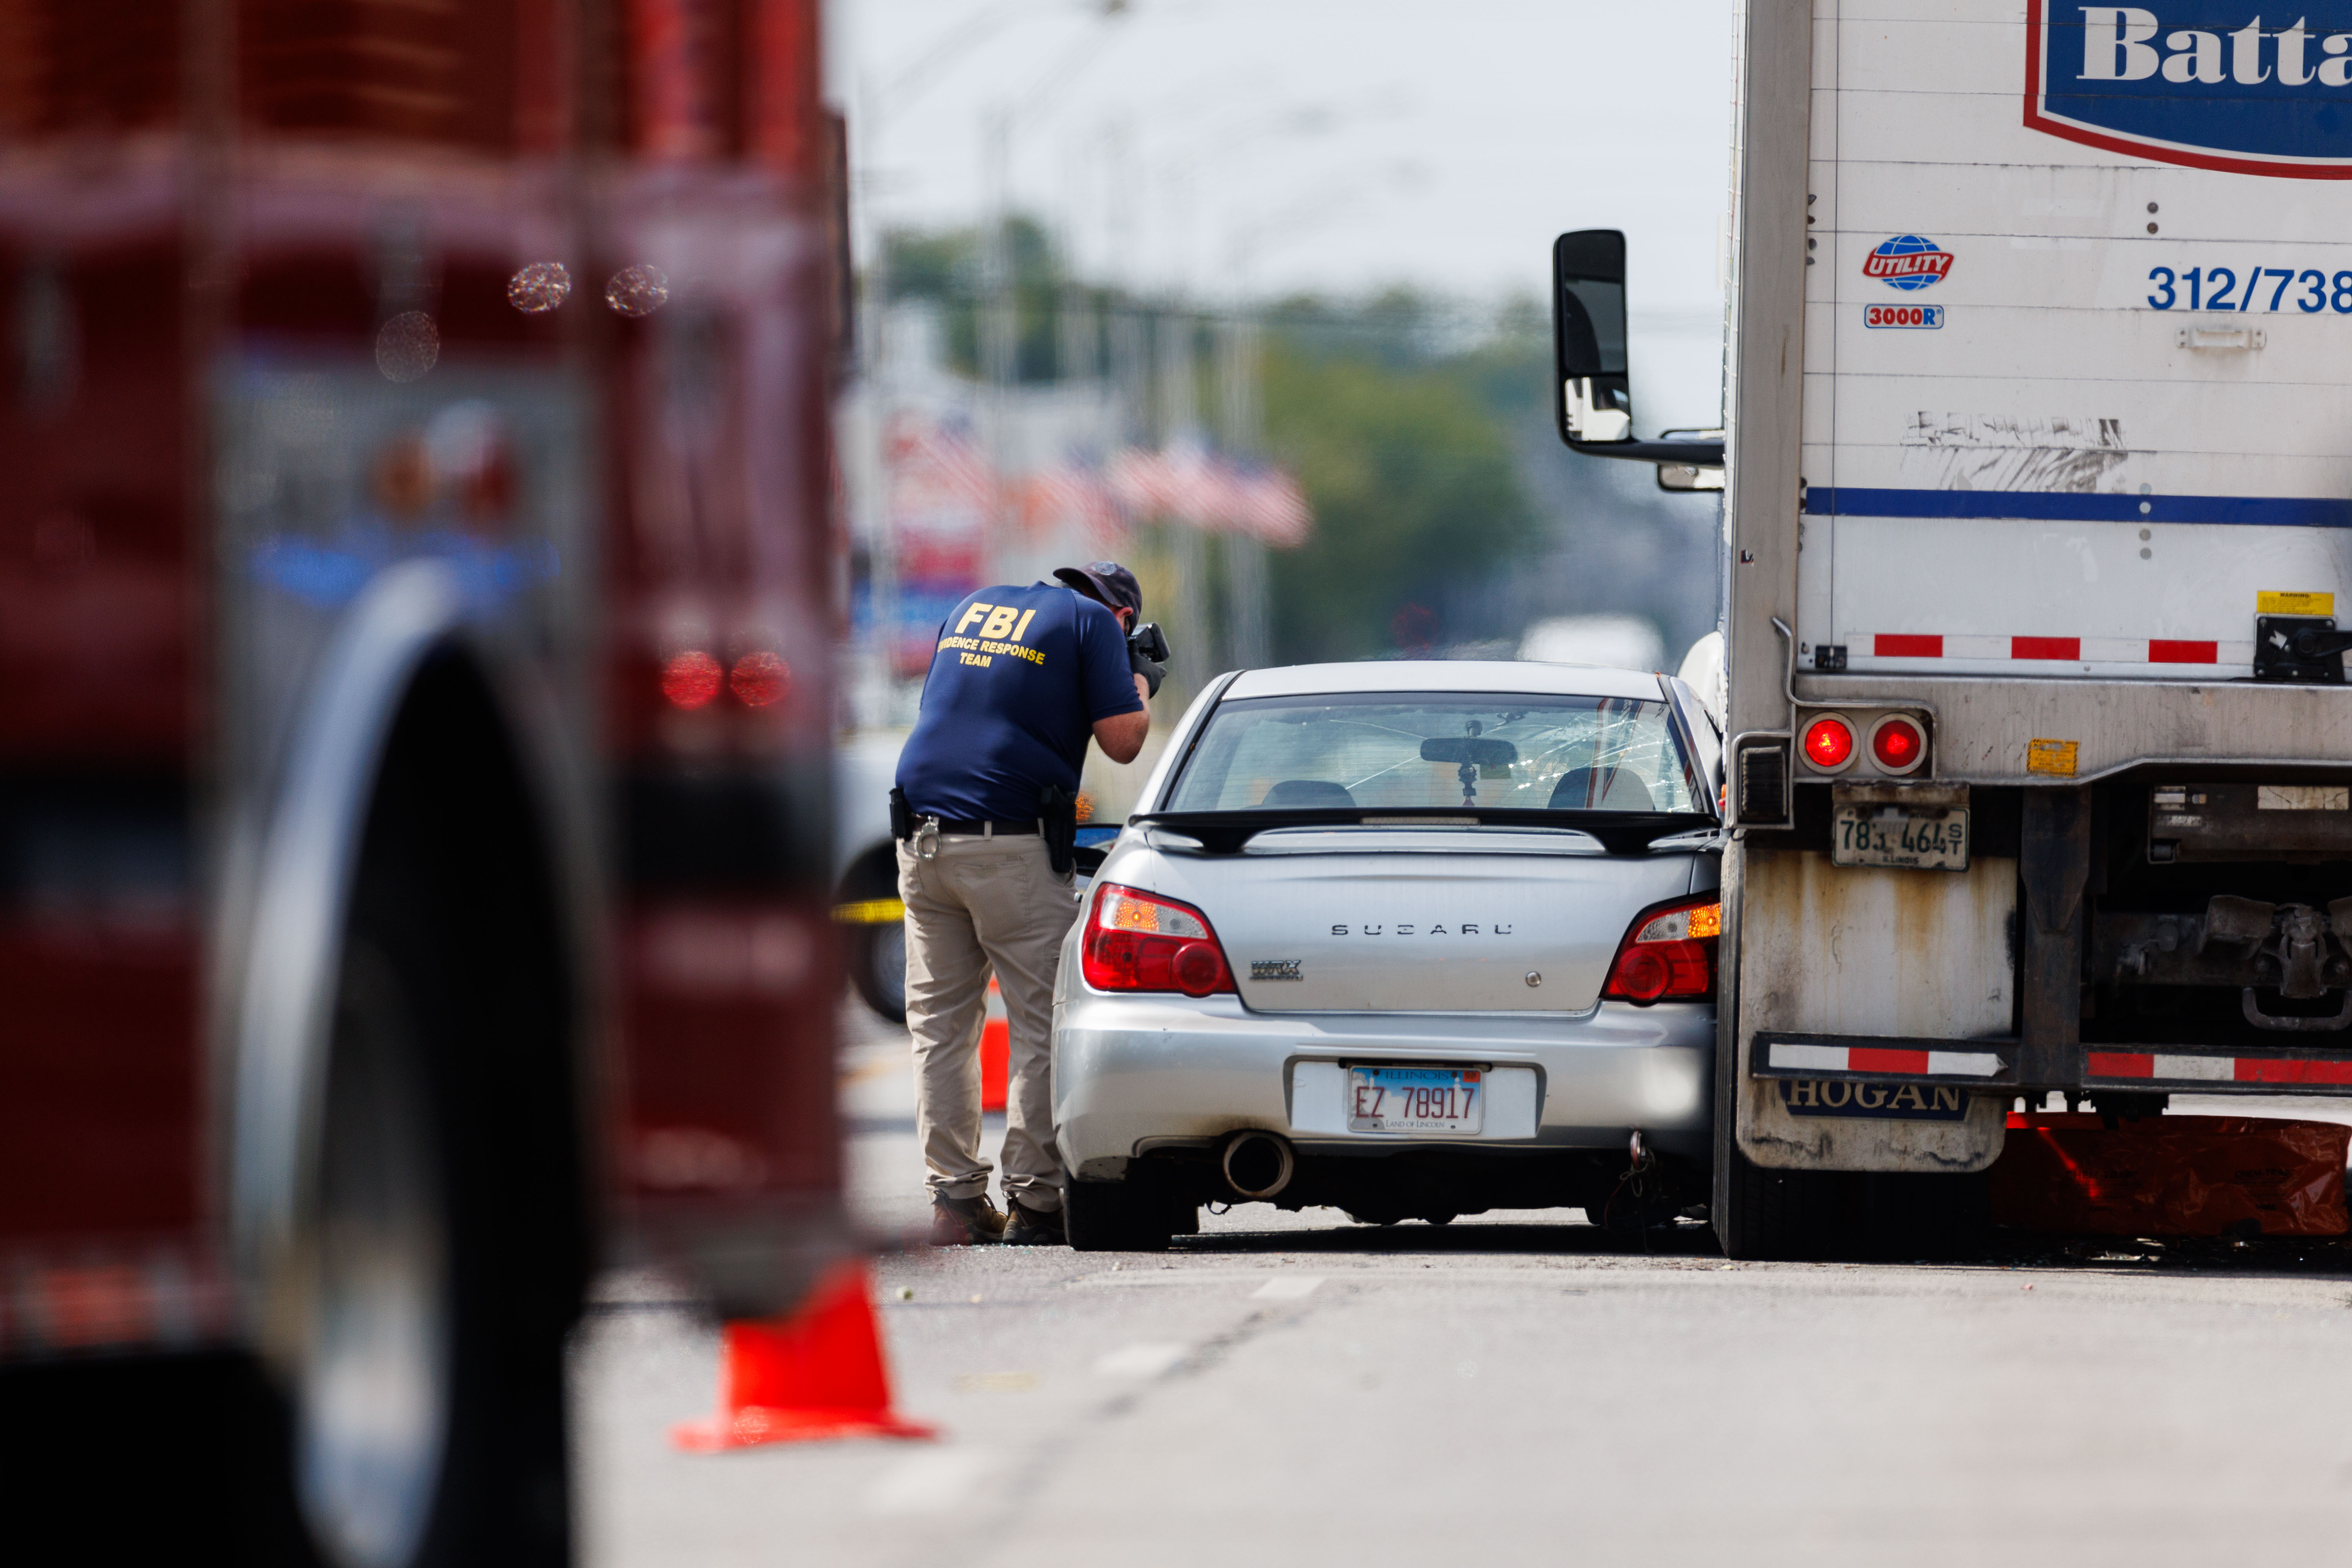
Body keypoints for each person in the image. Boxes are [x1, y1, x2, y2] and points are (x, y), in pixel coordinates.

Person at [893, 562, 1164, 1245]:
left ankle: (954, 1200)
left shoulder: (977, 603)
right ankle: (1038, 1200)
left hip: (921, 836)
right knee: (1040, 1022)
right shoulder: (1097, 623)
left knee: (940, 1026)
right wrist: (1137, 682)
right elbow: (1125, 741)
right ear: (1125, 617)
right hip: (1007, 843)